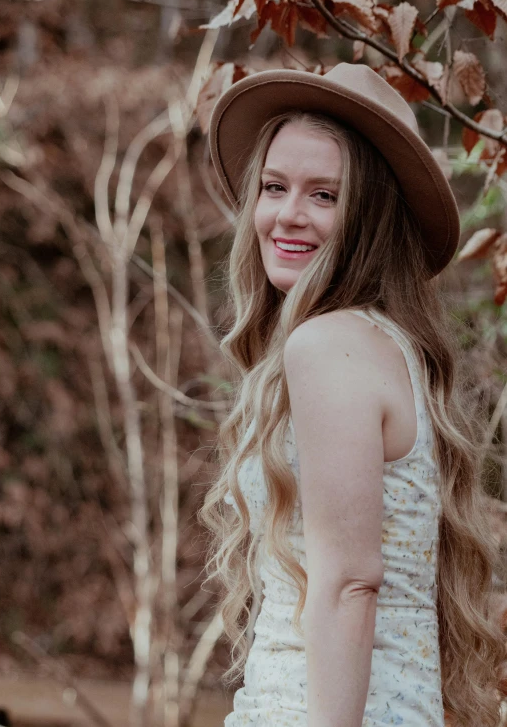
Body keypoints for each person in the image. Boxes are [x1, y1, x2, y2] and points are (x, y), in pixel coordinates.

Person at [198, 63, 505, 727]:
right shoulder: (381, 345)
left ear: (367, 217)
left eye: (324, 196)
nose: (287, 214)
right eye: (275, 187)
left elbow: (349, 583)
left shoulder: (328, 347)